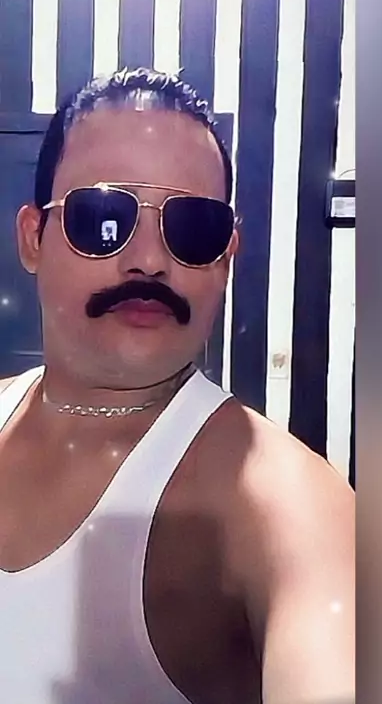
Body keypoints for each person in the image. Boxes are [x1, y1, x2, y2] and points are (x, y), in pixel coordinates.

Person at [0, 68, 354, 704]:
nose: (149, 261)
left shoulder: (282, 506)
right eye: (104, 218)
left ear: (226, 256)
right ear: (33, 238)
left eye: (193, 229)